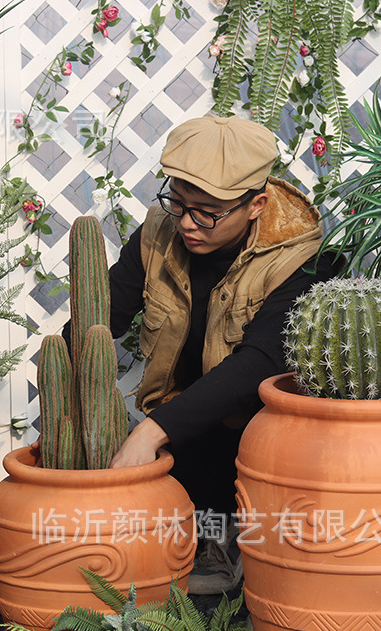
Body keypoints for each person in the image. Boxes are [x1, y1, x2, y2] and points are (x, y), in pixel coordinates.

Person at [100, 113, 337, 593]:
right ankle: (187, 533)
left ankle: (228, 537)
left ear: (256, 205)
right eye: (177, 202)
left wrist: (151, 433)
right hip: (182, 430)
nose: (186, 223)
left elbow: (259, 364)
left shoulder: (304, 260)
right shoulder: (159, 234)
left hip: (254, 446)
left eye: (207, 211)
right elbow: (102, 316)